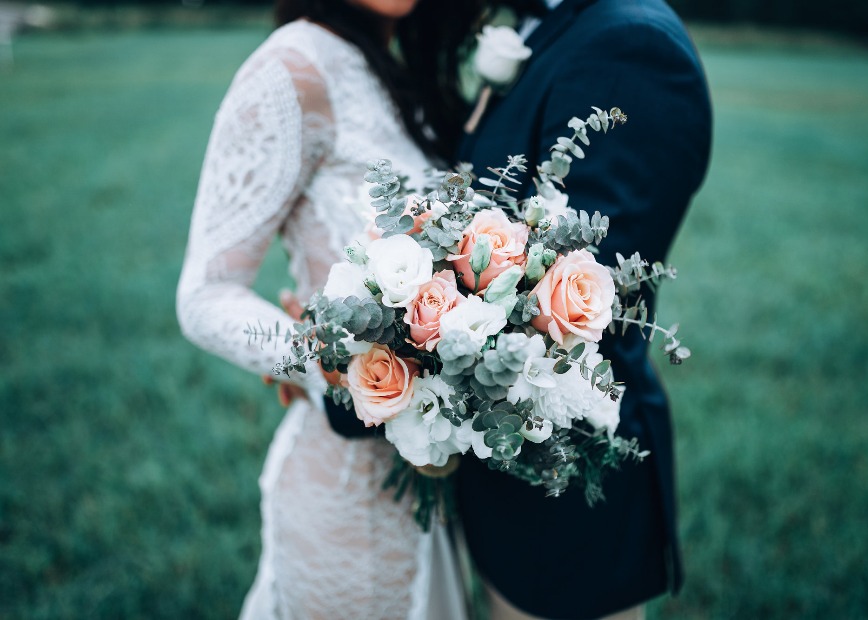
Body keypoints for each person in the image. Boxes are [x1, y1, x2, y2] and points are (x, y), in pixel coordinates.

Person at [176, 1, 484, 617]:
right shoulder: (292, 68)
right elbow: (204, 293)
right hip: (346, 501)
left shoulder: (397, 70)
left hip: (430, 501)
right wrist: (322, 360)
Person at [455, 0, 712, 619]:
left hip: (567, 509)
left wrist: (370, 376)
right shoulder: (547, 22)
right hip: (507, 486)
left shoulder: (630, 52)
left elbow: (572, 321)